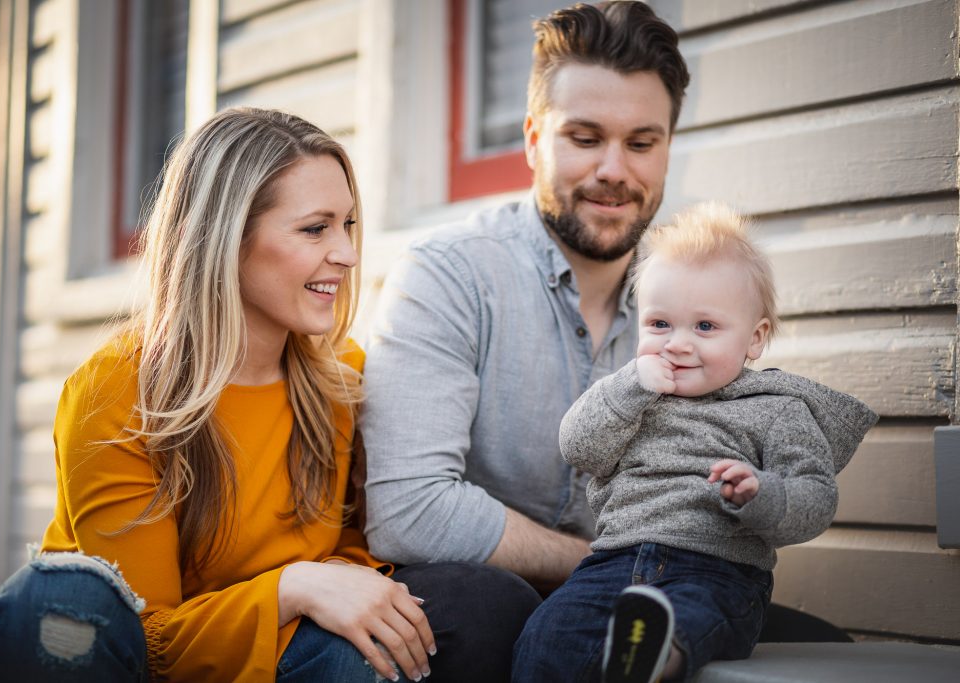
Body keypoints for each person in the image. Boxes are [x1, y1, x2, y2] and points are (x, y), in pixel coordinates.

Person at [361, 0, 853, 674]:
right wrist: (609, 561)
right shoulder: (449, 275)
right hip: (484, 590)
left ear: (667, 148)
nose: (615, 171)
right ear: (534, 139)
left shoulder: (694, 297)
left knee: (819, 648)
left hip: (656, 589)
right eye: (586, 138)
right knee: (489, 608)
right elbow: (409, 510)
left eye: (641, 143)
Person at [0, 107, 442, 682]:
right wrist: (291, 587)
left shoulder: (341, 378)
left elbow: (353, 560)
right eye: (315, 228)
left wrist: (324, 585)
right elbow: (138, 639)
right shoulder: (116, 392)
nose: (345, 252)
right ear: (227, 239)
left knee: (373, 641)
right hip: (97, 665)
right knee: (51, 600)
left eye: (347, 224)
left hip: (268, 659)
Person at [511, 203, 879, 682]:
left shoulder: (777, 409)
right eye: (660, 324)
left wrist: (761, 493)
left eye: (704, 327)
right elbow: (579, 449)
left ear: (754, 339)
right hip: (611, 562)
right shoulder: (631, 393)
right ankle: (633, 649)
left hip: (717, 571)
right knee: (547, 636)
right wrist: (629, 388)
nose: (677, 344)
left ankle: (651, 661)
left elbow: (815, 499)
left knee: (690, 620)